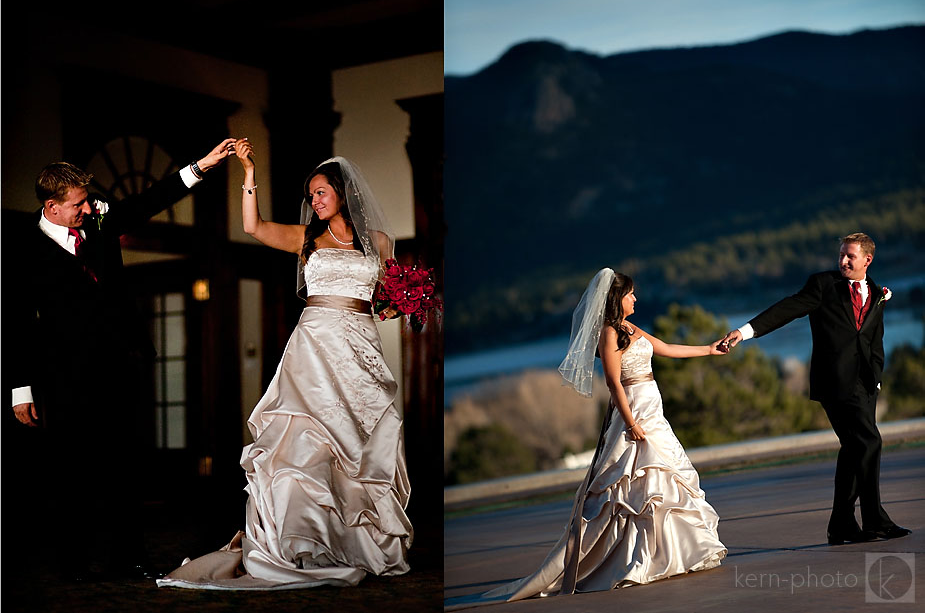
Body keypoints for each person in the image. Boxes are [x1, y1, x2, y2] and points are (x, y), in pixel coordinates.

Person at [157, 139, 412, 589]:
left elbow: (385, 299)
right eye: (311, 194)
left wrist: (403, 302)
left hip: (360, 346)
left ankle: (357, 543)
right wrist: (249, 174)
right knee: (302, 445)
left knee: (360, 446)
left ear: (343, 192)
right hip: (314, 346)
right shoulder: (305, 239)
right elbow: (253, 226)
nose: (313, 200)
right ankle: (301, 543)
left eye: (320, 192)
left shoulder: (379, 242)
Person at [8, 139, 238, 581]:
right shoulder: (23, 249)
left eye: (88, 200)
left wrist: (202, 165)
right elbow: (15, 322)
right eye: (78, 203)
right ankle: (71, 564)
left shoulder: (99, 221)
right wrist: (21, 389)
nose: (87, 208)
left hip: (117, 365)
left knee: (124, 467)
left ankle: (128, 557)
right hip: (63, 376)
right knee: (70, 470)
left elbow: (150, 200)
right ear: (53, 206)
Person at [447, 269, 727, 607]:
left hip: (653, 409)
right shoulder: (609, 334)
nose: (635, 299)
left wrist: (709, 350)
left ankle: (670, 553)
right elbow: (613, 383)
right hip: (635, 410)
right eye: (631, 294)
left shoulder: (630, 328)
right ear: (616, 299)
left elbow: (666, 348)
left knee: (663, 480)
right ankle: (631, 561)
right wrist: (629, 422)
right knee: (632, 485)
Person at [720, 233, 911, 545]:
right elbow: (786, 309)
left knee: (854, 449)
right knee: (870, 441)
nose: (844, 261)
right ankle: (875, 520)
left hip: (865, 385)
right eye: (841, 256)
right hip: (834, 383)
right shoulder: (823, 285)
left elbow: (874, 338)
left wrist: (876, 376)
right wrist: (744, 332)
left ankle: (842, 527)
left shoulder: (877, 292)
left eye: (850, 256)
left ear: (867, 260)